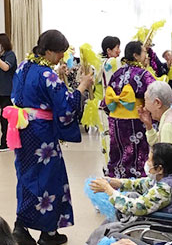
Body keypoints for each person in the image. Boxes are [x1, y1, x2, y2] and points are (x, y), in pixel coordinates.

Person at [3, 30, 93, 245]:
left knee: (26, 177)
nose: (62, 56)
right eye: (60, 52)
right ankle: (48, 234)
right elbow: (67, 107)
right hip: (42, 135)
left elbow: (20, 95)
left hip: (23, 129)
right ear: (50, 51)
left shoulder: (25, 66)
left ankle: (21, 228)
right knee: (49, 180)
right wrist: (82, 86)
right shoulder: (47, 75)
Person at [90, 143, 172, 216]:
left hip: (160, 224)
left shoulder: (165, 188)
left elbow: (135, 207)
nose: (146, 162)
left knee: (107, 231)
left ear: (159, 168)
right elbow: (143, 183)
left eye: (149, 160)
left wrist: (108, 190)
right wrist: (116, 182)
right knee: (131, 195)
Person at [104, 41, 155, 178]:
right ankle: (136, 181)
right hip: (136, 119)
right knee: (137, 153)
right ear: (136, 55)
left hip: (115, 119)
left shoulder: (117, 73)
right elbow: (155, 93)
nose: (147, 55)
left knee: (117, 151)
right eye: (144, 52)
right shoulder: (144, 74)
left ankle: (115, 179)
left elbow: (107, 100)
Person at [81, 36, 121, 167]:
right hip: (105, 105)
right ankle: (109, 168)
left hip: (105, 105)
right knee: (109, 138)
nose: (119, 51)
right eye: (117, 48)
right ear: (109, 50)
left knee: (108, 138)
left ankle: (108, 167)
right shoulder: (109, 63)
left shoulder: (100, 63)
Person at [0, 33, 17, 151]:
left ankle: (5, 143)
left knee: (5, 118)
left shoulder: (10, 55)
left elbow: (6, 67)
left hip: (7, 91)